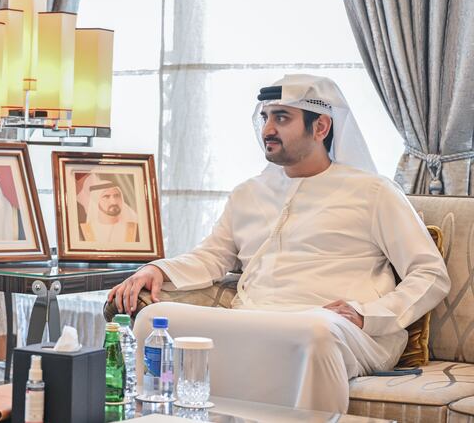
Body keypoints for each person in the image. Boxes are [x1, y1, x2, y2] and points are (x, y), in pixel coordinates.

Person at [108, 74, 450, 412]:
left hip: (341, 330)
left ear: (321, 128)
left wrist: (367, 314)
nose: (267, 129)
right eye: (265, 117)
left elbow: (430, 273)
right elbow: (211, 257)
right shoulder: (247, 193)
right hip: (256, 319)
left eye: (282, 118)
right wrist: (156, 269)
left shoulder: (373, 192)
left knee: (315, 330)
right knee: (154, 320)